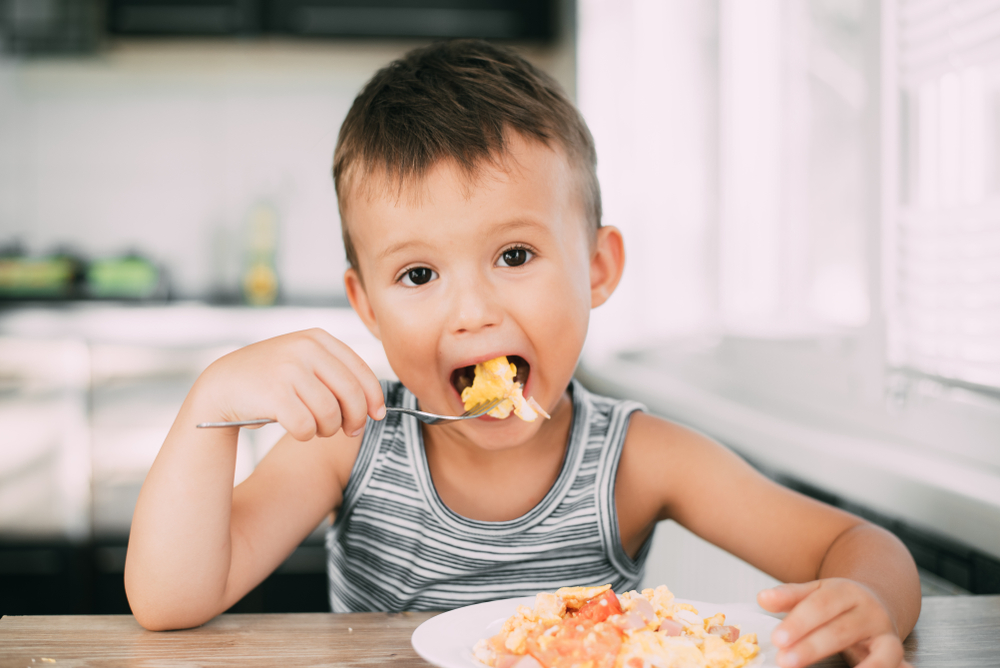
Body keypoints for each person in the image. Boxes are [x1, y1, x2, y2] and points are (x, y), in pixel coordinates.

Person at [125, 40, 920, 668]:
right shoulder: (351, 442)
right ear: (365, 303)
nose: (473, 311)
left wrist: (864, 598)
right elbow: (168, 600)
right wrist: (211, 405)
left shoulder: (638, 459)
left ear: (598, 268)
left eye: (514, 256)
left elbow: (859, 547)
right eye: (419, 274)